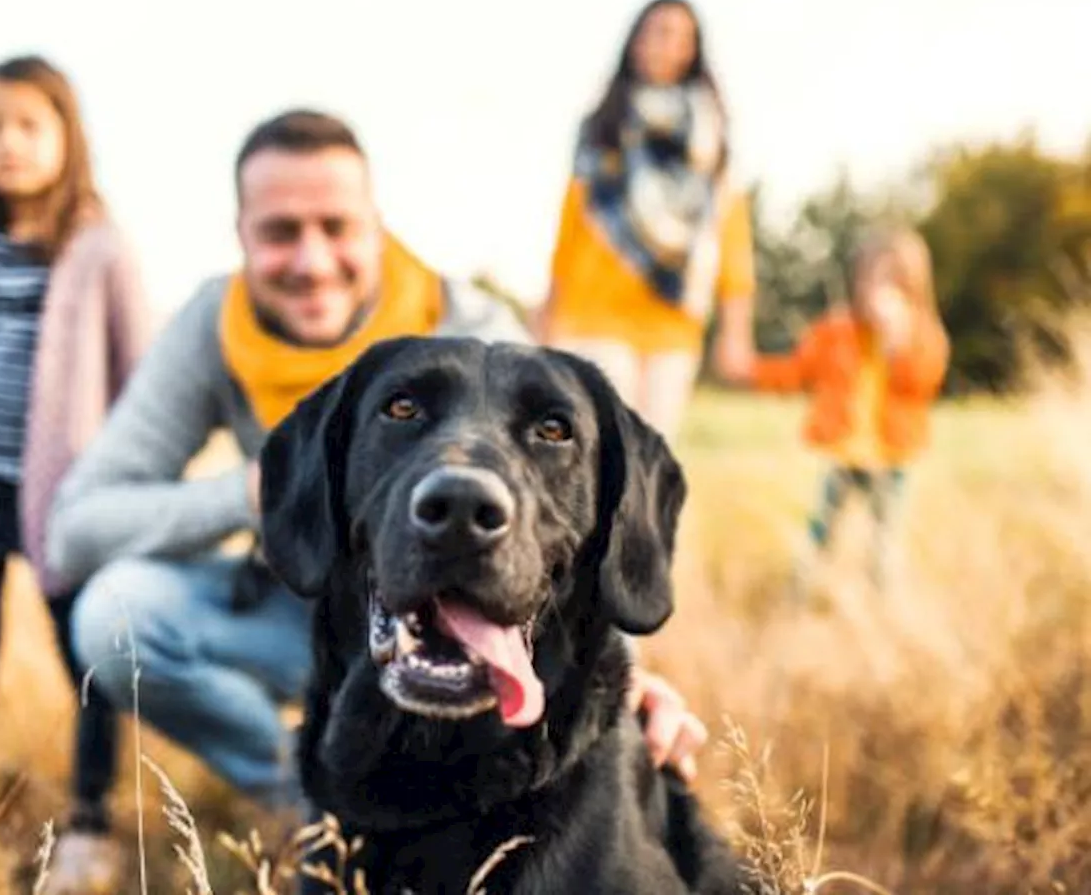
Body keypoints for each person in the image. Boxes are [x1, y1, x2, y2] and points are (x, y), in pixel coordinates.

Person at [49, 110, 710, 850]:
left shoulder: (471, 322)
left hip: (458, 608)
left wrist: (628, 679)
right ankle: (317, 804)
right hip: (300, 599)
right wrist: (255, 494)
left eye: (337, 227)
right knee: (115, 614)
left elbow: (565, 510)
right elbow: (76, 528)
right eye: (280, 232)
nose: (312, 259)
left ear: (376, 225)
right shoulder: (213, 325)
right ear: (241, 235)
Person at [0, 55, 151, 888]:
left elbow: (142, 375)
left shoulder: (97, 246)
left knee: (85, 649)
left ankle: (92, 819)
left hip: (62, 496)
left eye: (28, 126)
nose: (8, 144)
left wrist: (126, 483)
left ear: (66, 136)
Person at [537, 0, 756, 442]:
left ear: (694, 51)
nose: (667, 44)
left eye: (681, 37)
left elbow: (731, 235)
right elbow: (571, 225)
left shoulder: (712, 138)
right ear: (635, 41)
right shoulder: (603, 126)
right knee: (600, 444)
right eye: (657, 31)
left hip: (672, 320)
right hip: (594, 312)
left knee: (651, 457)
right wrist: (547, 315)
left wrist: (736, 329)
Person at [727, 225, 950, 594]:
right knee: (820, 531)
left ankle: (885, 599)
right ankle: (797, 594)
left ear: (915, 286)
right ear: (858, 282)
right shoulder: (835, 332)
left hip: (891, 459)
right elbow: (796, 372)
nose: (882, 291)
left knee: (885, 539)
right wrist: (750, 370)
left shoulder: (923, 335)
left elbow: (923, 384)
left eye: (894, 280)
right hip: (844, 454)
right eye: (874, 279)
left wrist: (898, 343)